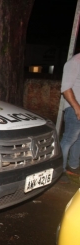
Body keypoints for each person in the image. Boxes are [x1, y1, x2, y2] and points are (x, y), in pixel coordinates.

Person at [60, 52, 80, 181]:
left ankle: (74, 165)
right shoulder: (74, 62)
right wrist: (77, 109)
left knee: (78, 139)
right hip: (74, 108)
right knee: (69, 139)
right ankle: (59, 171)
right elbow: (66, 89)